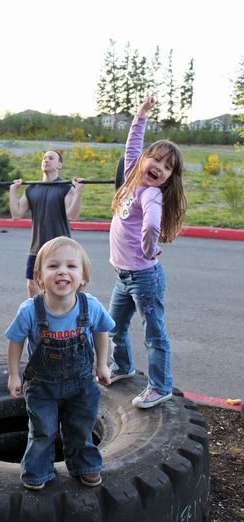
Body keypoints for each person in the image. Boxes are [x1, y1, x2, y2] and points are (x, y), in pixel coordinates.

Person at [5, 236, 114, 490]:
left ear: (83, 277)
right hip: (42, 386)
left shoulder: (91, 306)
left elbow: (101, 332)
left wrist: (102, 364)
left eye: (71, 266)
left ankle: (85, 466)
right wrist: (13, 375)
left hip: (82, 385)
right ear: (40, 277)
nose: (62, 271)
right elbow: (15, 341)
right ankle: (37, 471)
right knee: (43, 430)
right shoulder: (30, 310)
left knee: (80, 427)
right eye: (53, 266)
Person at [108, 96, 187, 409]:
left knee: (154, 333)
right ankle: (123, 366)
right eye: (157, 159)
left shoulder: (152, 194)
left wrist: (148, 246)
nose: (160, 168)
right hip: (122, 275)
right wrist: (140, 115)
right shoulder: (131, 176)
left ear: (169, 177)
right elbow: (132, 144)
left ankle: (160, 386)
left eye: (168, 167)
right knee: (114, 326)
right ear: (144, 159)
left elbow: (152, 225)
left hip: (144, 278)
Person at [9, 150, 84, 297]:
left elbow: (72, 215)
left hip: (60, 248)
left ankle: (60, 316)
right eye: (44, 158)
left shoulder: (66, 187)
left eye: (51, 158)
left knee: (60, 287)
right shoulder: (32, 189)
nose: (46, 160)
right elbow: (16, 214)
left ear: (59, 165)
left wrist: (78, 191)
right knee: (32, 285)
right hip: (37, 248)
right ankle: (39, 318)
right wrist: (13, 191)